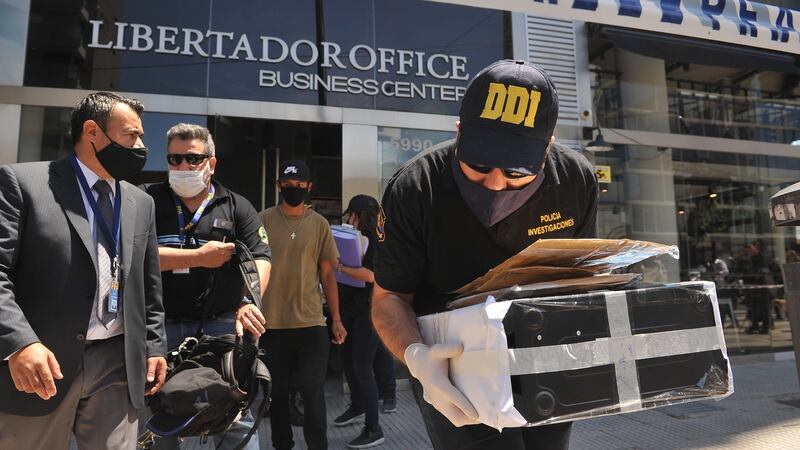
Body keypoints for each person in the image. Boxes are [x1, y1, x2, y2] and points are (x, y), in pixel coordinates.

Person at [372, 60, 598, 450]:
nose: (495, 183)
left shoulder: (576, 181)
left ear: (548, 146)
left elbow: (577, 278)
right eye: (477, 164)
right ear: (459, 131)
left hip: (544, 358)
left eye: (515, 171)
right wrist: (417, 357)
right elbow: (389, 297)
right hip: (453, 365)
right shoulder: (415, 188)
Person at [0, 91, 167, 448]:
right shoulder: (23, 184)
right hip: (42, 364)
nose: (140, 146)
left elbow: (148, 286)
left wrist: (154, 346)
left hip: (117, 364)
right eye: (131, 135)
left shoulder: (141, 202)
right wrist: (19, 343)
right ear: (93, 132)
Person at [141, 123, 272, 449]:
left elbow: (260, 257)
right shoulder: (146, 201)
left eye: (193, 159)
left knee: (234, 416)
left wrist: (249, 300)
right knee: (158, 422)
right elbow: (131, 256)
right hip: (158, 331)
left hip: (221, 328)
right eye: (174, 159)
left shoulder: (237, 205)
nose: (183, 167)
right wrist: (200, 256)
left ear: (211, 163)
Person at [260, 160, 347, 450]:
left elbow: (327, 274)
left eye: (299, 186)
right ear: (278, 186)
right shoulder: (262, 220)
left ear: (309, 187)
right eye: (288, 185)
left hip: (311, 325)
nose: (293, 190)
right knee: (278, 395)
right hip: (271, 325)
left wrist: (335, 318)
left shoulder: (320, 224)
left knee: (313, 394)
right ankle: (281, 445)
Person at [333, 195, 385, 448]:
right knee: (349, 364)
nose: (348, 219)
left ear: (358, 214)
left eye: (351, 214)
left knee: (363, 367)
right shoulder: (355, 237)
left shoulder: (378, 241)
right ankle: (357, 406)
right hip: (350, 309)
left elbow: (372, 275)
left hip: (369, 312)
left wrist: (340, 267)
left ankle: (374, 428)